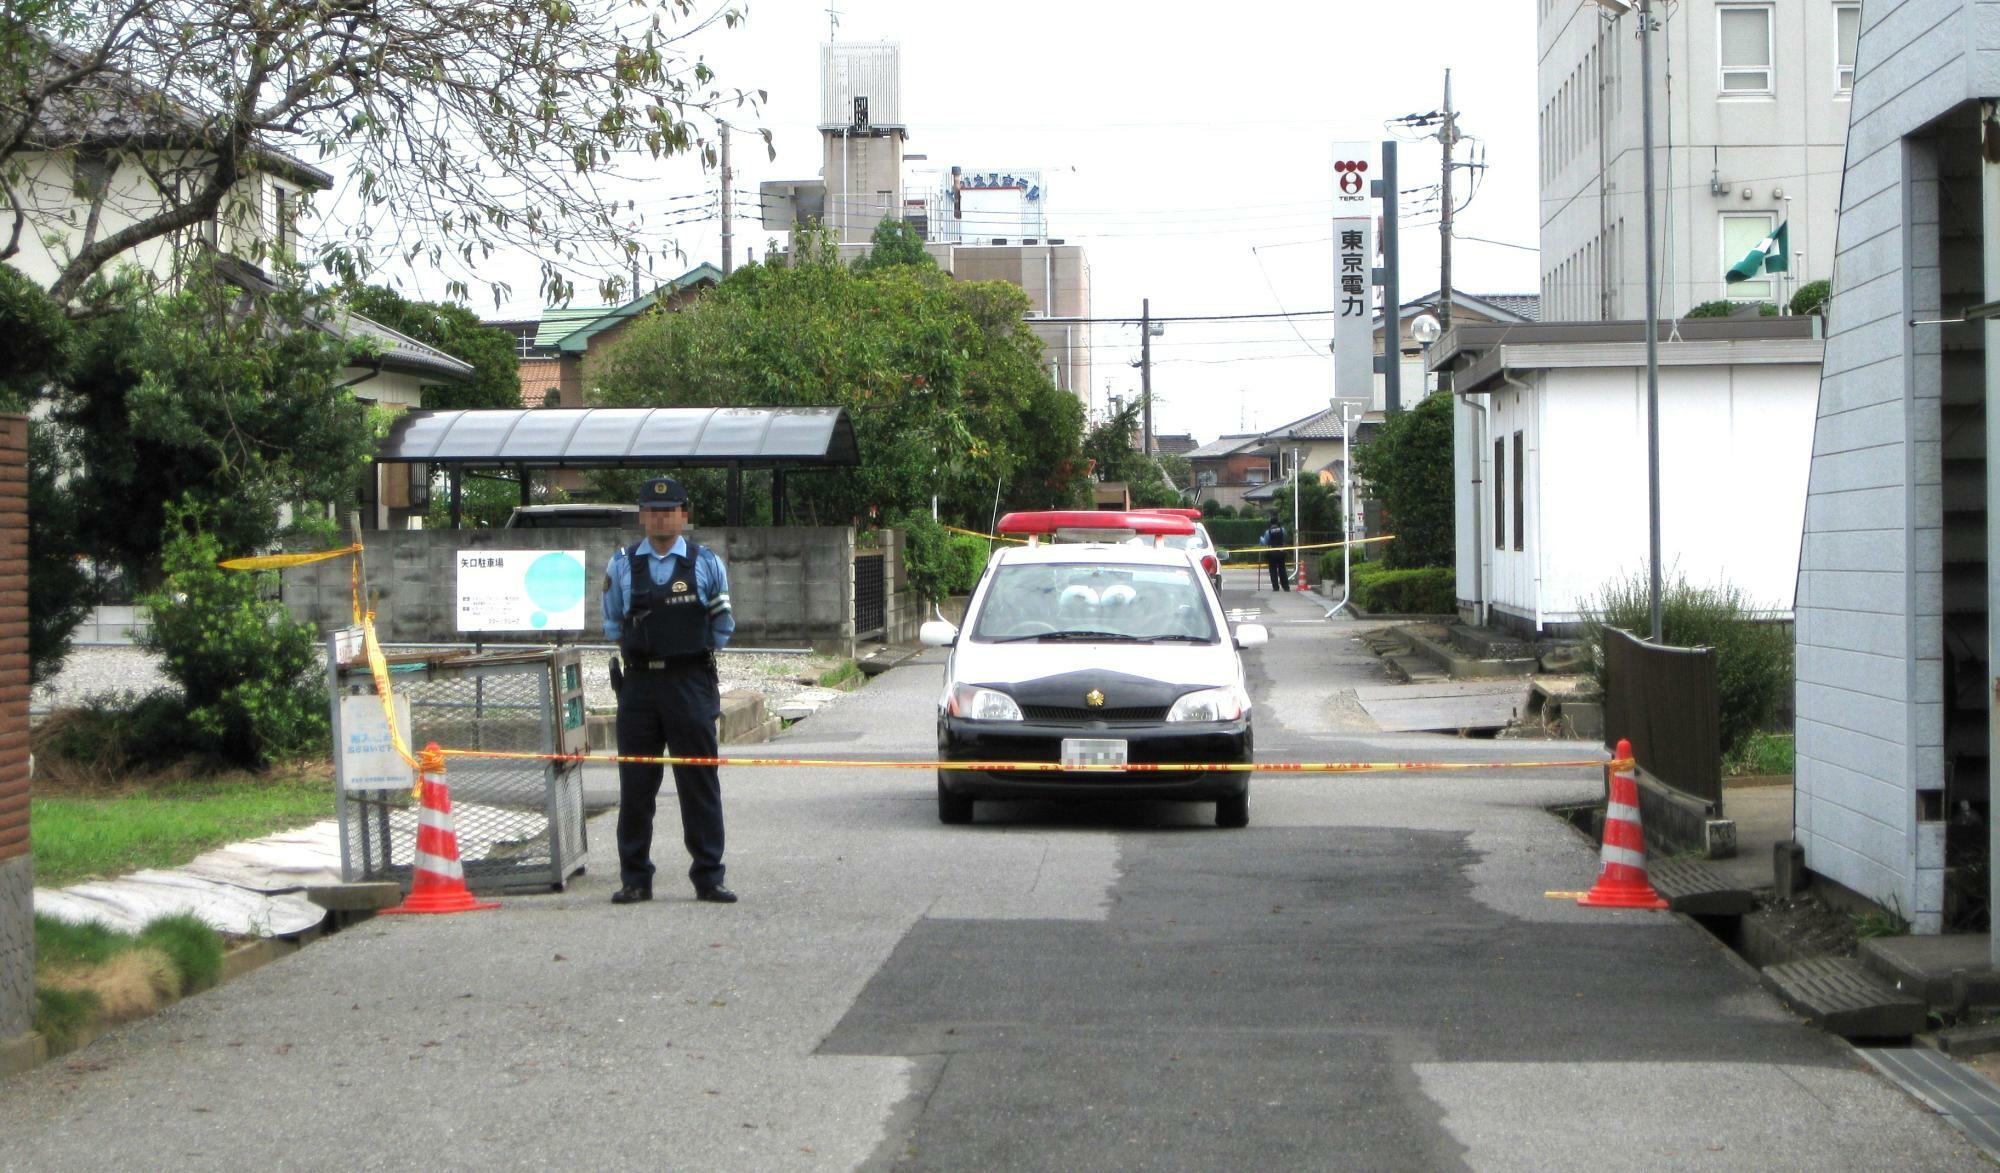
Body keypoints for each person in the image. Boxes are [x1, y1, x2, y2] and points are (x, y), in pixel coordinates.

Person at [601, 476, 737, 905]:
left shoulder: (705, 562)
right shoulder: (621, 564)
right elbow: (612, 623)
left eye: (669, 510)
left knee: (699, 781)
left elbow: (722, 625)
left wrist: (688, 655)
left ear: (684, 514)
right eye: (652, 510)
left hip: (690, 682)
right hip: (639, 686)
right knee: (636, 786)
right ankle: (635, 878)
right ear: (642, 516)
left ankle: (709, 877)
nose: (661, 517)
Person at [1260, 517, 1290, 593]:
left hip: (1272, 552)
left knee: (1273, 570)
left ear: (1270, 523)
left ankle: (1275, 587)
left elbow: (1265, 543)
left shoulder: (1268, 532)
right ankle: (1286, 587)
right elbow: (1286, 538)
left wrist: (1261, 539)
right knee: (1282, 569)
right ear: (1277, 522)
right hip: (1281, 552)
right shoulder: (1282, 530)